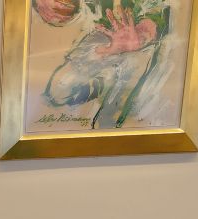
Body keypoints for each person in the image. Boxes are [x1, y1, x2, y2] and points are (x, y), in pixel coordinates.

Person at [34, 0, 170, 129]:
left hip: (154, 121)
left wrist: (142, 33)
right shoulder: (100, 35)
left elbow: (158, 13)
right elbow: (57, 93)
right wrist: (104, 53)